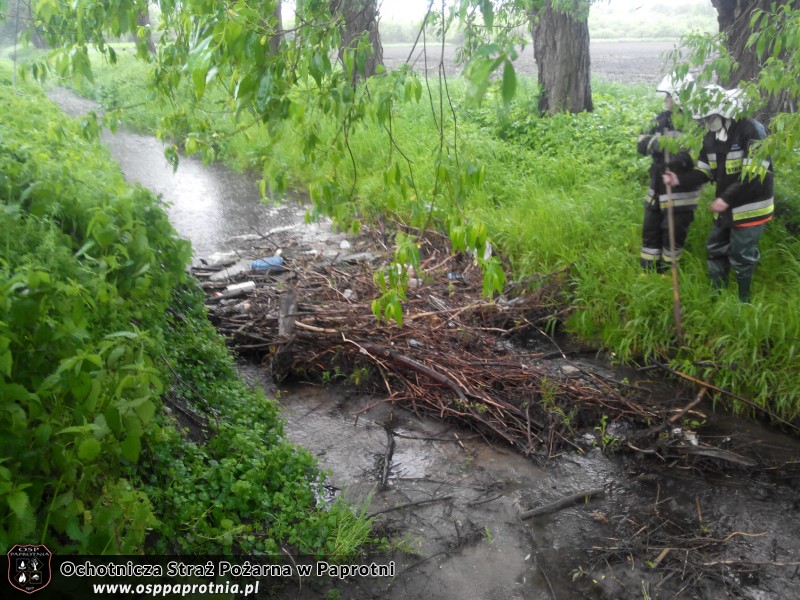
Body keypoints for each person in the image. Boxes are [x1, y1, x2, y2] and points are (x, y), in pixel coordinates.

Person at [663, 85, 773, 303]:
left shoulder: (752, 130)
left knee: (742, 254)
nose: (705, 122)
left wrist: (725, 199)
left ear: (722, 112)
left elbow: (753, 173)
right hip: (726, 206)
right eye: (703, 118)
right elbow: (704, 171)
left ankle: (744, 302)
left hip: (752, 206)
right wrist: (680, 180)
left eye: (708, 117)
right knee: (715, 247)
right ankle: (717, 295)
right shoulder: (711, 138)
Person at [636, 75, 701, 273]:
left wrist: (676, 161)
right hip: (657, 187)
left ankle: (667, 271)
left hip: (680, 190)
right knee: (650, 228)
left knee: (672, 232)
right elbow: (641, 141)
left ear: (680, 97)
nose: (665, 100)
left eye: (668, 96)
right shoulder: (660, 119)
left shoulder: (695, 125)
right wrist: (656, 145)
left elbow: (697, 156)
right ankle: (647, 270)